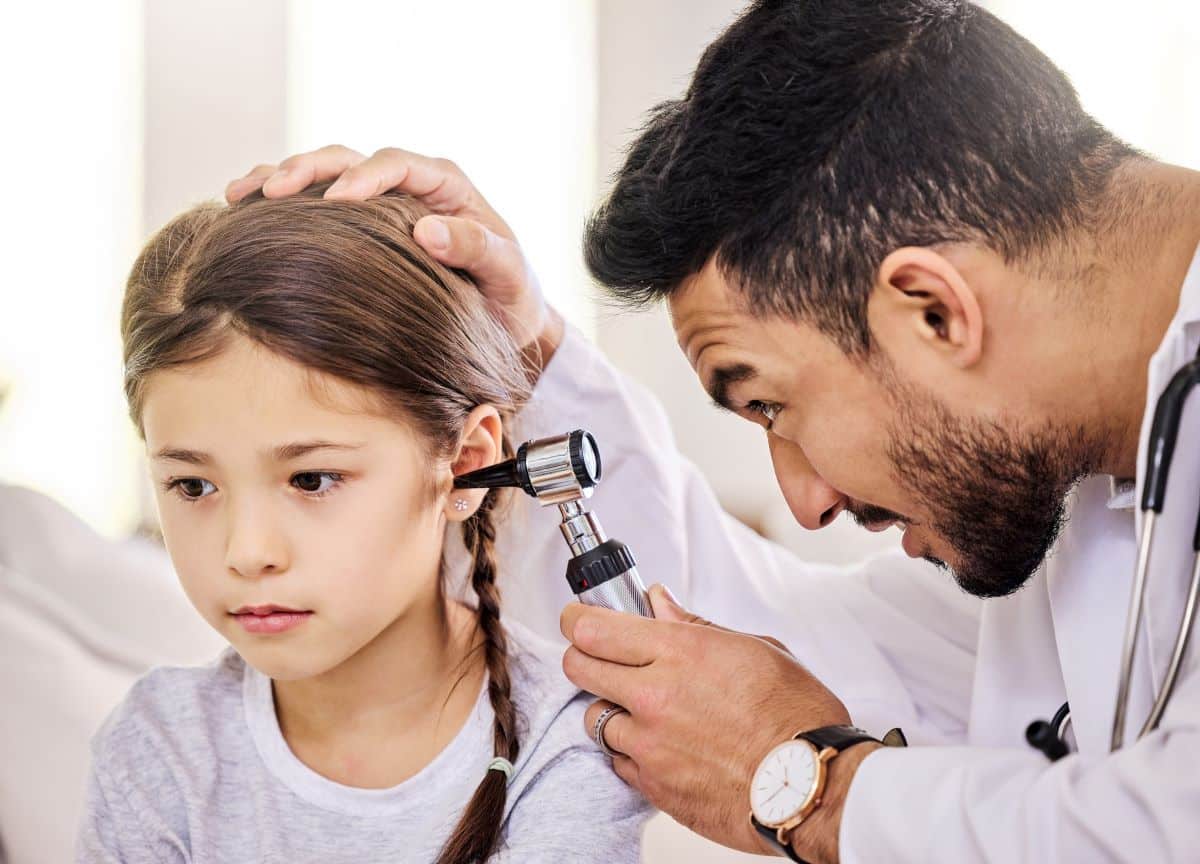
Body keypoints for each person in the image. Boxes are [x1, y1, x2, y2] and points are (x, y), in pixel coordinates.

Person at [227, 2, 1200, 862]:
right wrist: (523, 347)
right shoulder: (1077, 485)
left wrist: (815, 792)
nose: (807, 503)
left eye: (771, 404)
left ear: (934, 313)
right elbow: (761, 652)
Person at [76, 188, 649, 863]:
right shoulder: (158, 751)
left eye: (312, 480)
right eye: (193, 486)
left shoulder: (568, 740)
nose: (247, 552)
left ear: (465, 464)